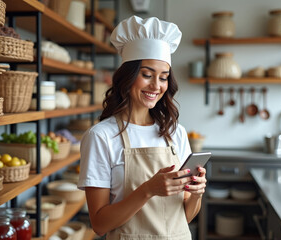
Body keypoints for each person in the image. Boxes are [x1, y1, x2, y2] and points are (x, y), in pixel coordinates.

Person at [77, 15, 207, 239]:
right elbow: (99, 224)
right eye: (147, 75)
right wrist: (148, 190)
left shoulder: (176, 132)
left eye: (163, 77)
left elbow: (182, 218)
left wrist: (196, 194)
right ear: (127, 78)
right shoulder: (101, 136)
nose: (156, 86)